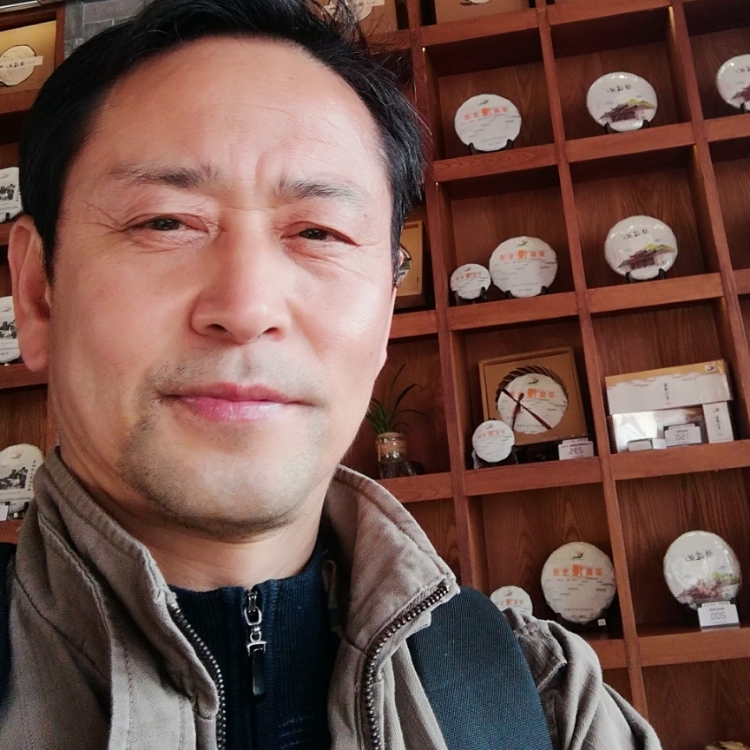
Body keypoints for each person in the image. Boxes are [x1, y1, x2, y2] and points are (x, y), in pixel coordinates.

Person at [2, 0, 662, 747]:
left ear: (384, 315)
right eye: (165, 222)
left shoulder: (545, 703)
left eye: (319, 232)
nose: (246, 308)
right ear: (38, 293)